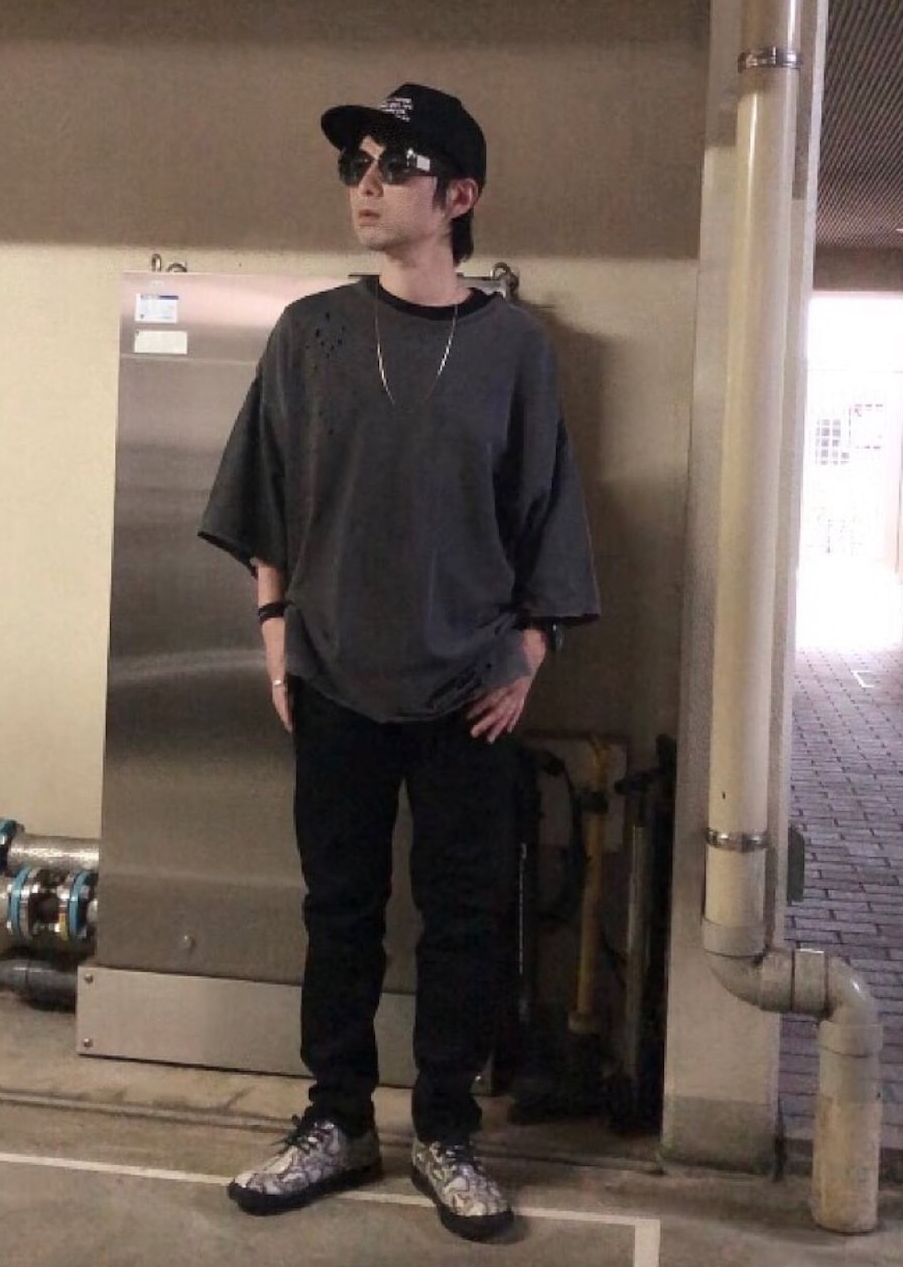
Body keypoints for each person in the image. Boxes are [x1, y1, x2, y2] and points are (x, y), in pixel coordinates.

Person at [199, 82, 599, 1242]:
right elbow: (268, 491)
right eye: (355, 165)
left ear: (459, 196)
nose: (366, 185)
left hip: (470, 688)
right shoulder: (310, 333)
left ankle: (444, 1131)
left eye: (394, 166)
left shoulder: (513, 347)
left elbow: (548, 509)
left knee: (464, 915)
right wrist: (276, 628)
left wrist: (528, 650)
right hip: (331, 672)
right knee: (340, 908)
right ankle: (335, 1119)